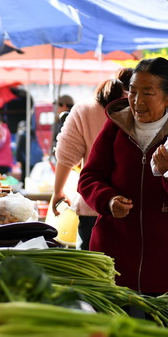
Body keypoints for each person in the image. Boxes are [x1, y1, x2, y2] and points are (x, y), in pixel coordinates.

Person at [78, 57, 168, 329]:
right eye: (133, 91)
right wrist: (108, 200)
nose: (137, 100)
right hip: (116, 260)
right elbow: (89, 177)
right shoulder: (114, 130)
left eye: (147, 93)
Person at [51, 75, 128, 250]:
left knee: (90, 272)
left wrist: (58, 191)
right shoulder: (141, 111)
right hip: (131, 209)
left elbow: (66, 155)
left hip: (92, 207)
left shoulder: (84, 109)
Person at [48, 94, 74, 159]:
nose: (56, 107)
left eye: (58, 105)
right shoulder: (60, 119)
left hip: (65, 156)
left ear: (64, 105)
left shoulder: (67, 120)